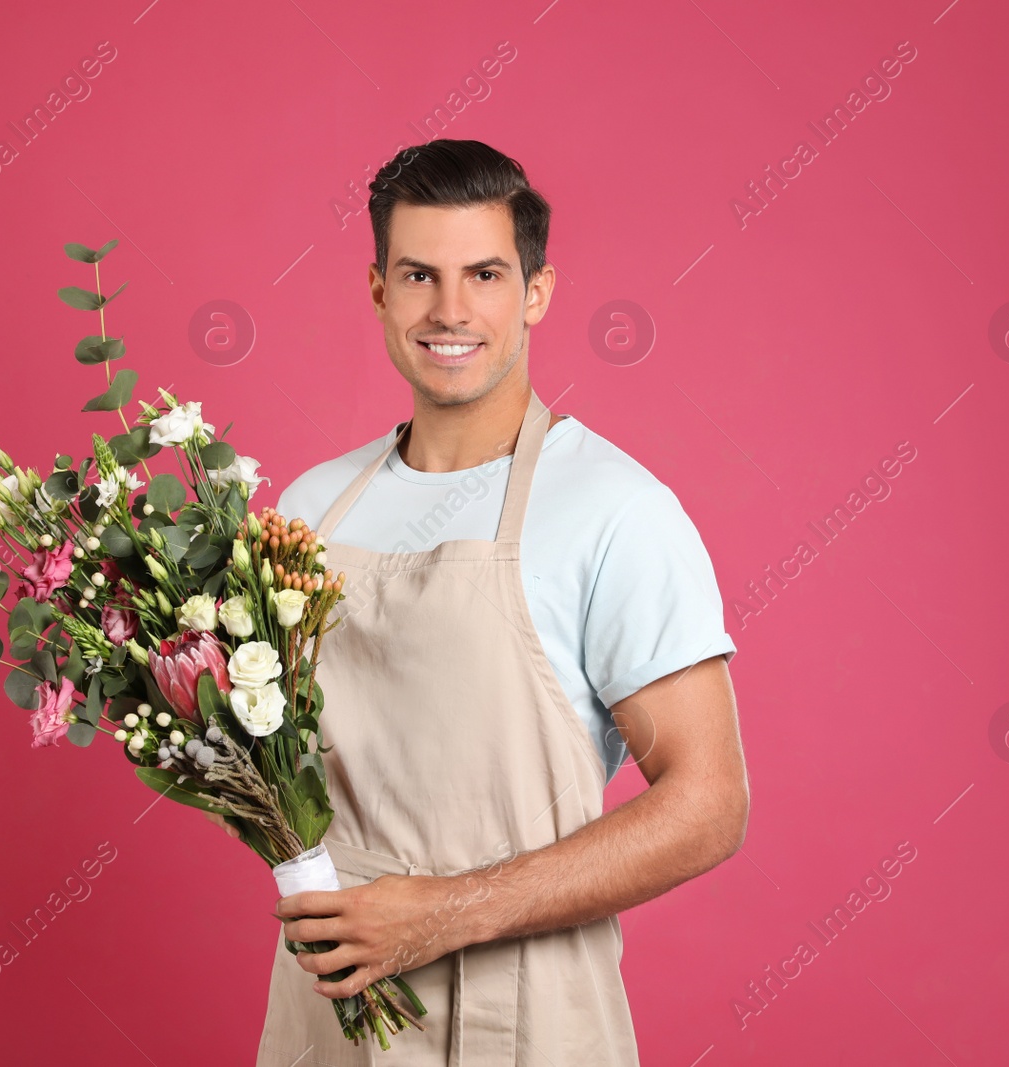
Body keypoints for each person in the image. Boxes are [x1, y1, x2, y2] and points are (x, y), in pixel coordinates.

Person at [249, 139, 749, 1065]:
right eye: (418, 275)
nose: (450, 310)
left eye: (484, 273)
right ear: (377, 291)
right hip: (326, 1011)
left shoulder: (615, 511)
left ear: (536, 292)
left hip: (518, 1017)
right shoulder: (309, 508)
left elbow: (710, 801)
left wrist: (442, 914)